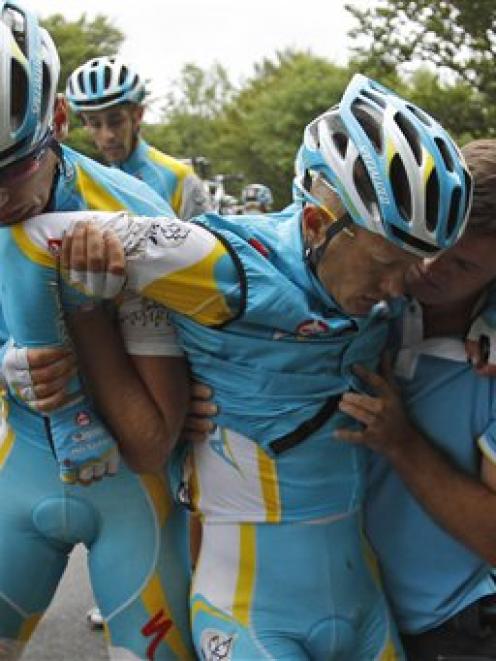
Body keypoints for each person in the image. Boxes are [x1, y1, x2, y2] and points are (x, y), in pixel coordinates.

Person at [24, 73, 471, 659]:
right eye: (385, 265)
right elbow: (30, 239)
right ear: (316, 225)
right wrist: (37, 345)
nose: (396, 290)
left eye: (411, 267)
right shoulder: (225, 265)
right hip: (250, 614)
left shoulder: (387, 289)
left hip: (365, 609)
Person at [0, 3, 193, 658]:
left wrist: (90, 321)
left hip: (133, 490)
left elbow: (152, 441)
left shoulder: (137, 209)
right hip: (17, 461)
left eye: (11, 170)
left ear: (55, 122)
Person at [336, 139, 496, 660]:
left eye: (465, 266)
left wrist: (402, 442)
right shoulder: (358, 301)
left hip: (447, 629)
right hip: (333, 611)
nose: (433, 265)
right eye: (436, 238)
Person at [66, 56, 210, 220]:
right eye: (95, 124)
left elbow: (214, 244)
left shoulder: (179, 179)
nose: (108, 135)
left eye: (116, 121)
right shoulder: (84, 181)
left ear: (138, 115)